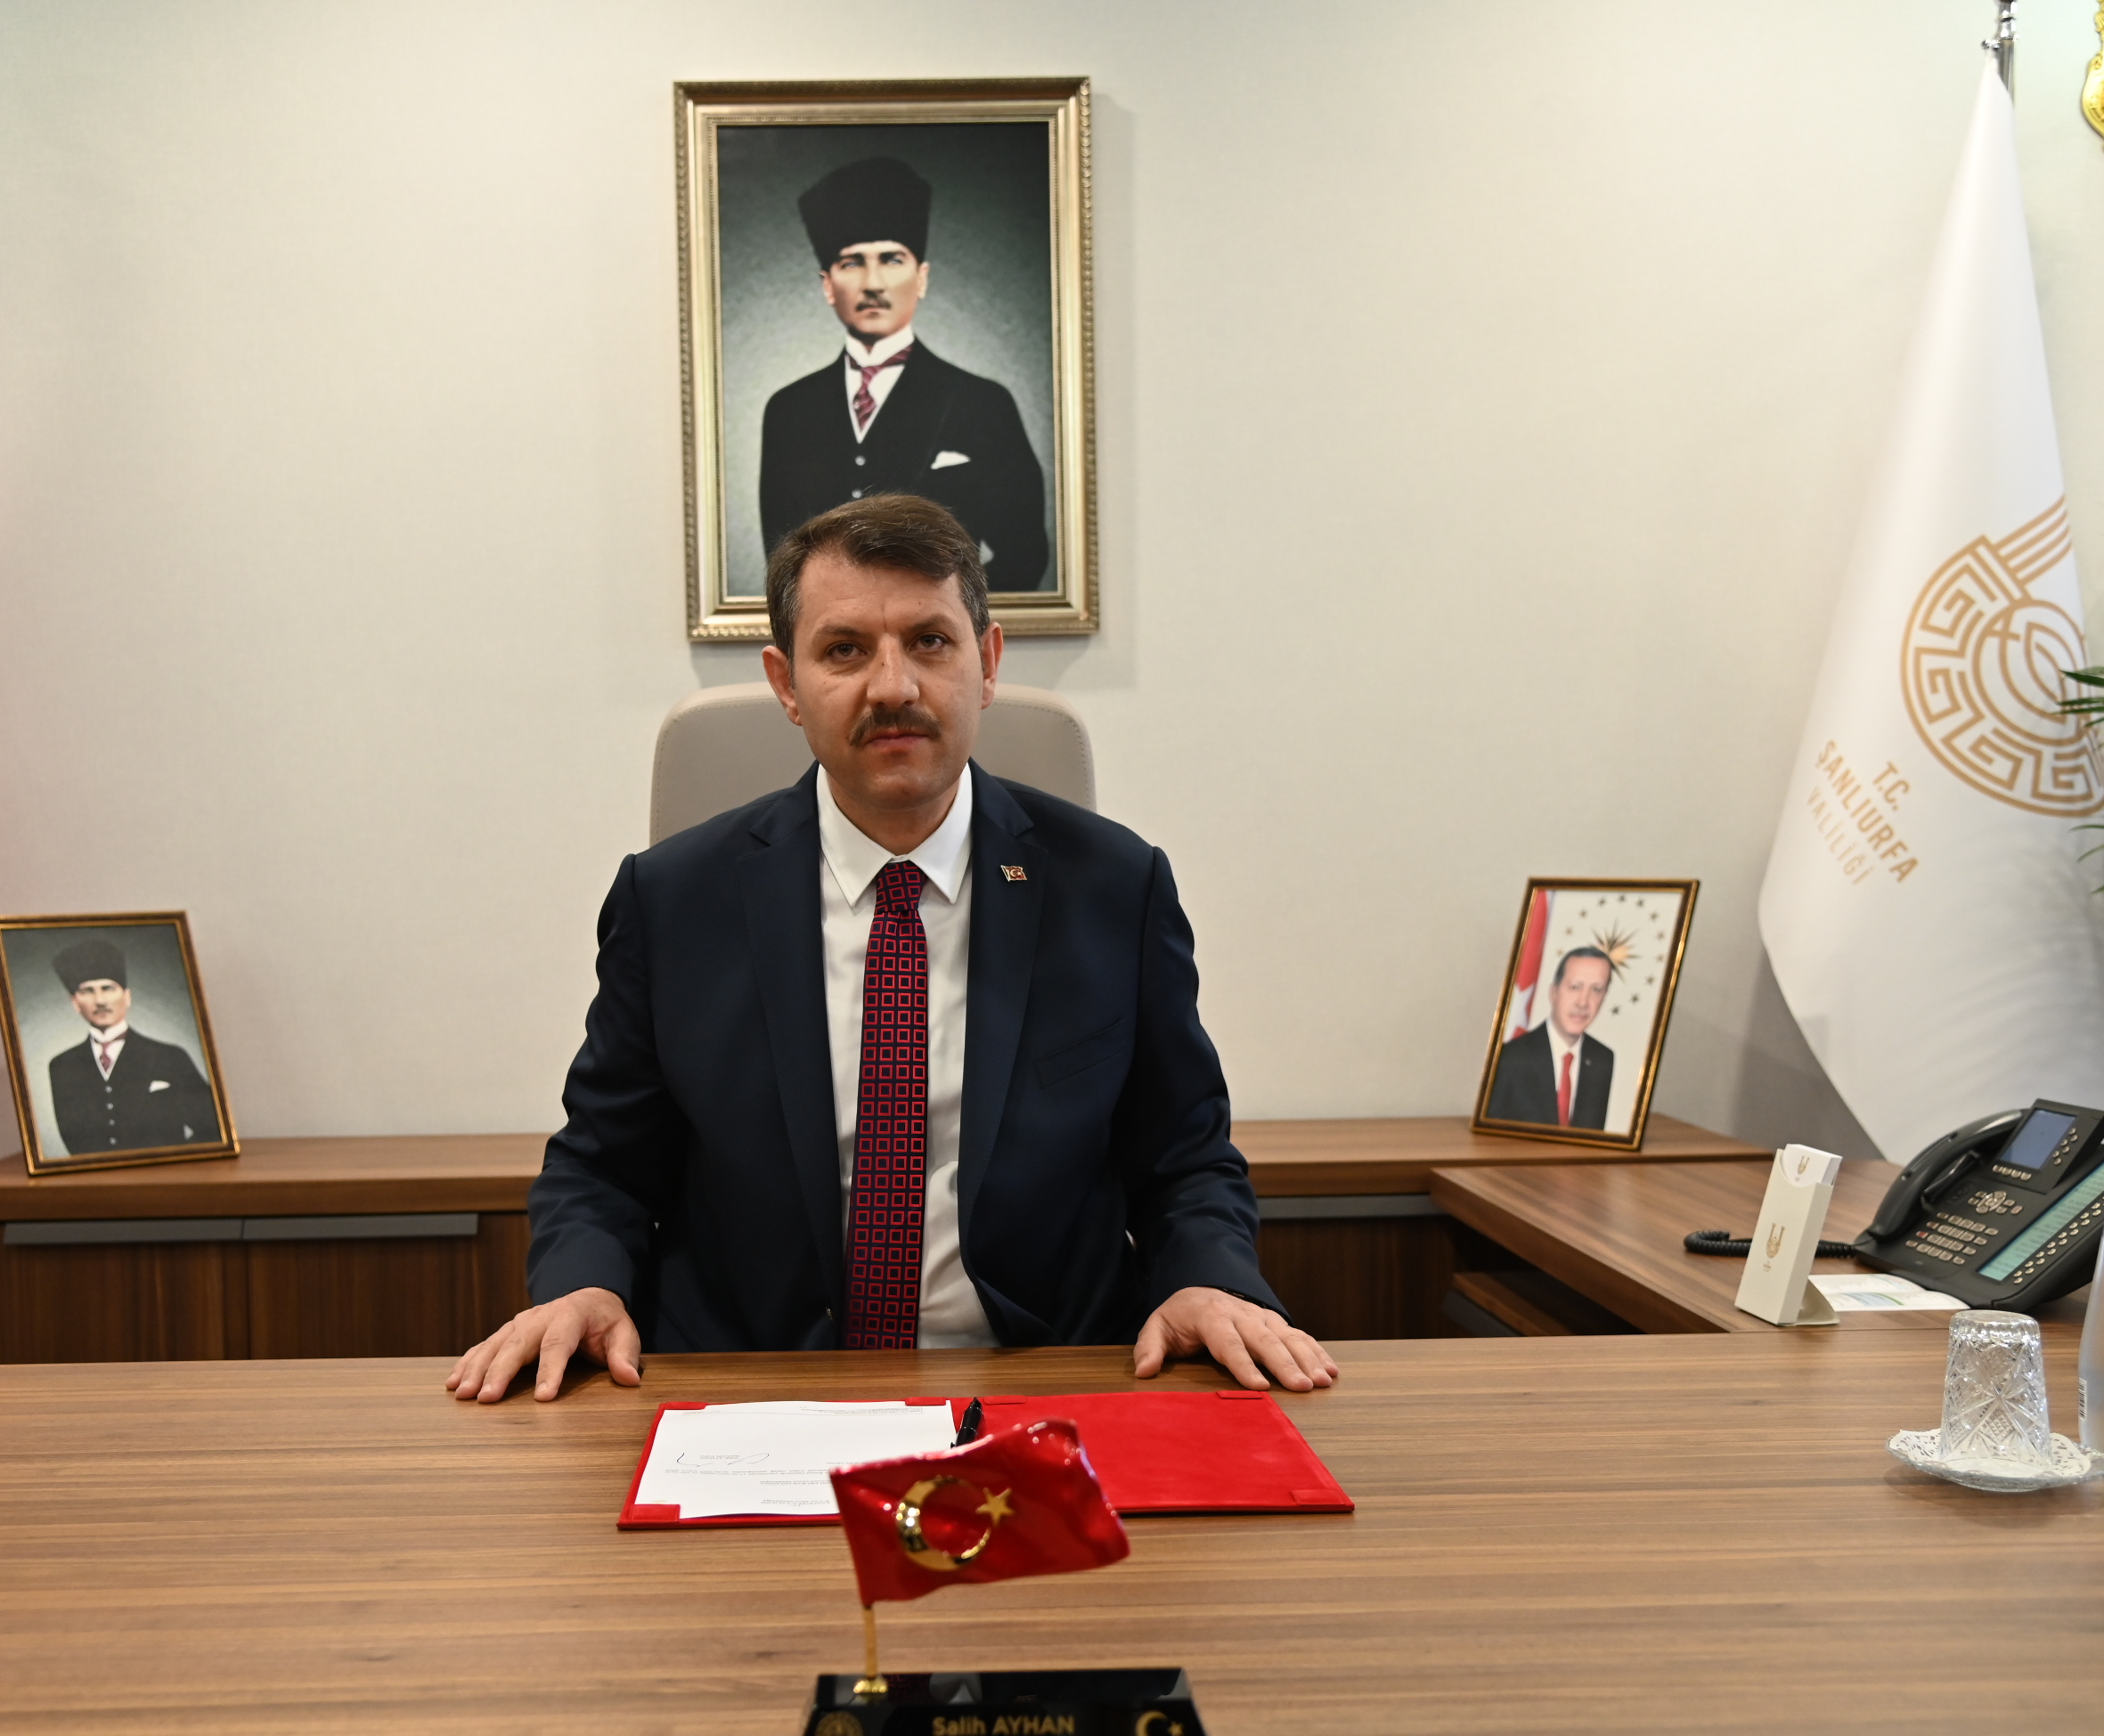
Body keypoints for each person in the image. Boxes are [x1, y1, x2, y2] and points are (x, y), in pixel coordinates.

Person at [450, 494, 1333, 1402]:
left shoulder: (1114, 887)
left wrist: (1205, 1278)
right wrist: (584, 1284)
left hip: (1048, 1382)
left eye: (930, 642)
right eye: (844, 650)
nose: (893, 688)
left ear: (987, 664)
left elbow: (1184, 1159)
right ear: (786, 684)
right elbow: (603, 1164)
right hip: (754, 1389)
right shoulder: (674, 899)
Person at [756, 156, 1052, 593]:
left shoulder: (982, 403)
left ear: (921, 278)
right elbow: (782, 564)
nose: (873, 283)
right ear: (827, 285)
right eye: (852, 263)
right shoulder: (789, 410)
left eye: (892, 259)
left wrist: (945, 616)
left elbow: (1025, 554)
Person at [44, 939, 221, 1155]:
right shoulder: (63, 1066)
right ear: (75, 1003)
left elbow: (213, 1128)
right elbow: (73, 1138)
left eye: (108, 988)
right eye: (88, 991)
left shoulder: (170, 1057)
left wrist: (175, 1161)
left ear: (127, 997)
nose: (100, 1000)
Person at [1485, 946, 1617, 1130]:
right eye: (1575, 987)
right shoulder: (1511, 1058)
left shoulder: (1602, 1059)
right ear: (1554, 992)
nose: (1583, 1002)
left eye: (1596, 990)